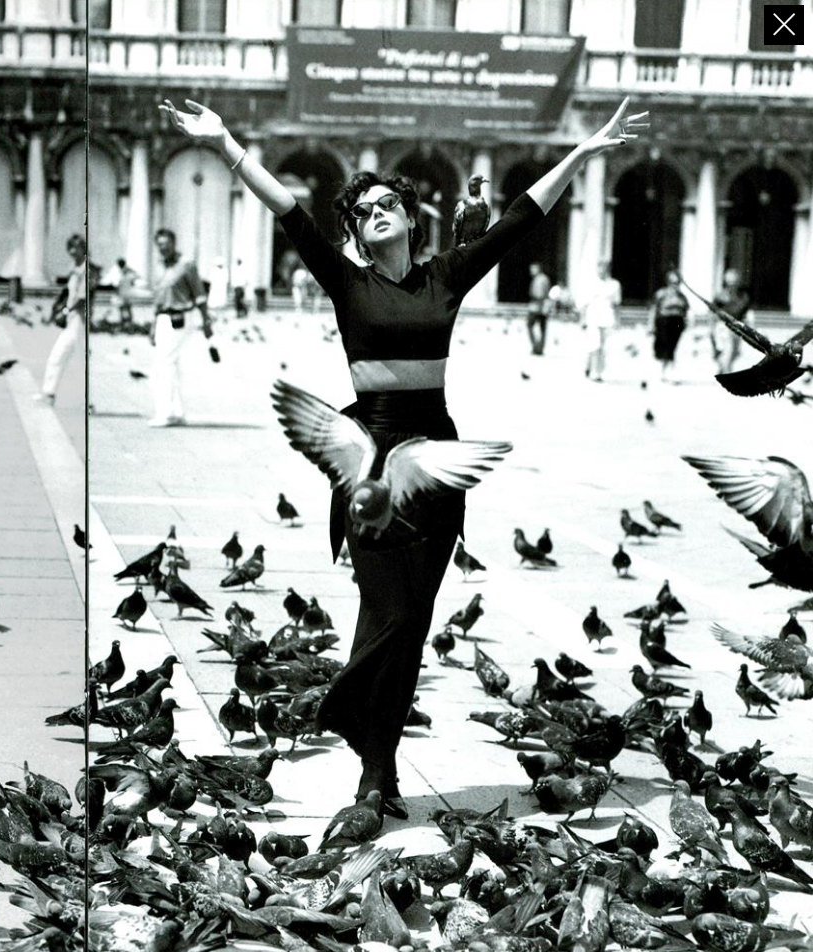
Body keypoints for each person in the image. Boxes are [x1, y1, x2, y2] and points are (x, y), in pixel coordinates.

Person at [160, 94, 648, 818]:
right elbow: (288, 211)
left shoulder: (444, 275)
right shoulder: (346, 281)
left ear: (412, 219)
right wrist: (225, 142)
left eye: (389, 203)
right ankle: (342, 709)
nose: (377, 213)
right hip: (371, 467)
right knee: (387, 610)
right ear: (356, 234)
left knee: (413, 623)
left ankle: (377, 768)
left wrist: (580, 153)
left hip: (437, 468)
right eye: (364, 212)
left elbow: (521, 219)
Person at [148, 227, 212, 427]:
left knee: (164, 363)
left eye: (166, 244)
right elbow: (158, 297)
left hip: (181, 317)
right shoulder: (158, 266)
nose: (163, 248)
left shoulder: (186, 265)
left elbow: (199, 294)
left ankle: (164, 412)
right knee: (171, 364)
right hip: (162, 317)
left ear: (174, 244)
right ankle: (177, 411)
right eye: (160, 244)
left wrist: (206, 320)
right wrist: (153, 324)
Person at [38, 234, 91, 406]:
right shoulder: (75, 269)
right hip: (72, 320)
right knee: (57, 355)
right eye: (71, 247)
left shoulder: (87, 270)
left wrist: (67, 310)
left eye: (77, 247)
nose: (73, 251)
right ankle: (49, 393)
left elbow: (83, 297)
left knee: (81, 360)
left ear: (83, 248)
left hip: (80, 321)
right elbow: (69, 293)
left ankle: (89, 399)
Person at [582, 259, 621, 382]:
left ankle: (595, 369)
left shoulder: (614, 285)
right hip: (593, 317)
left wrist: (618, 320)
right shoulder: (591, 283)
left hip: (607, 317)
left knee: (603, 346)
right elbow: (585, 304)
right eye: (599, 268)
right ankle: (594, 372)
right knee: (595, 344)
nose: (601, 271)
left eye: (604, 268)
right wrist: (582, 319)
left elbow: (616, 304)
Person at [647, 268, 689, 382]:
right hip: (664, 320)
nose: (675, 285)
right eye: (672, 282)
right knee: (664, 345)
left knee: (673, 346)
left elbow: (686, 310)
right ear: (668, 282)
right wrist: (650, 325)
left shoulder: (682, 296)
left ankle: (669, 370)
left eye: (677, 282)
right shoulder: (661, 294)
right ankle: (664, 370)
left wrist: (686, 323)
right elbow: (654, 309)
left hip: (677, 321)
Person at [711, 268, 752, 375]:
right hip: (723, 326)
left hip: (738, 327)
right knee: (727, 350)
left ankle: (722, 367)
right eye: (729, 282)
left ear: (738, 282)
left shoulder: (743, 297)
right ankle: (726, 373)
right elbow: (713, 313)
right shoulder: (720, 296)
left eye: (734, 282)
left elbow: (746, 313)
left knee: (736, 352)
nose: (732, 285)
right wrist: (712, 328)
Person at [527, 262, 551, 356]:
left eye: (533, 269)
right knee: (541, 328)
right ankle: (539, 347)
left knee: (532, 325)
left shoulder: (541, 279)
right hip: (540, 305)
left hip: (538, 306)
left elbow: (541, 294)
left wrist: (542, 304)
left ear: (538, 269)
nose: (531, 271)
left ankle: (537, 347)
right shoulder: (542, 279)